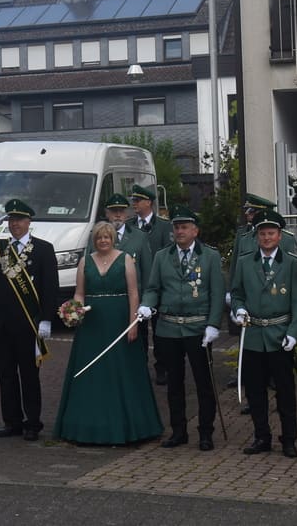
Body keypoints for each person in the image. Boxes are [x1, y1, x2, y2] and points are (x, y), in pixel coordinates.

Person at [55, 221, 164, 444]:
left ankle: (129, 425)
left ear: (113, 238)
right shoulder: (85, 261)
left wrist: (133, 323)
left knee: (122, 371)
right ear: (94, 240)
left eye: (106, 237)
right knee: (92, 372)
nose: (103, 241)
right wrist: (74, 311)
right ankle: (86, 425)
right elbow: (79, 292)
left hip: (119, 322)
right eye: (99, 238)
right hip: (91, 325)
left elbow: (134, 293)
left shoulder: (125, 259)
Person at [0, 198, 59, 441]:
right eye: (11, 219)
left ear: (29, 221)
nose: (15, 224)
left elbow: (50, 288)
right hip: (1, 323)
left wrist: (46, 319)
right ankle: (12, 421)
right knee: (6, 375)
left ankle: (33, 423)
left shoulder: (43, 249)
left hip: (28, 323)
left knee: (29, 375)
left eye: (19, 219)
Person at [137, 205, 224, 452]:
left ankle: (205, 432)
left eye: (184, 227)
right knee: (174, 383)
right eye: (176, 227)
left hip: (198, 328)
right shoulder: (162, 256)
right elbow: (153, 288)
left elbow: (217, 293)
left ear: (195, 231)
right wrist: (146, 304)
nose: (179, 231)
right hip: (169, 328)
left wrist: (213, 324)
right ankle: (178, 431)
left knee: (203, 382)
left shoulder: (210, 256)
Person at [231, 210, 297, 458]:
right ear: (257, 237)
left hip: (279, 335)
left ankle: (289, 439)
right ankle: (261, 436)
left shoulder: (292, 263)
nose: (266, 238)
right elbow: (237, 293)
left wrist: (294, 333)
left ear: (279, 236)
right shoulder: (244, 262)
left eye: (271, 233)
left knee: (285, 392)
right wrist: (238, 308)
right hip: (253, 335)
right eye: (262, 234)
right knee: (255, 392)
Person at [130, 184, 172, 385]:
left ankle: (161, 367)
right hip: (136, 285)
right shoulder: (130, 225)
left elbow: (168, 255)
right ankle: (140, 366)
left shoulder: (163, 226)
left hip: (158, 287)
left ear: (149, 202)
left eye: (138, 200)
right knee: (137, 329)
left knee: (159, 331)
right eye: (133, 200)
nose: (134, 204)